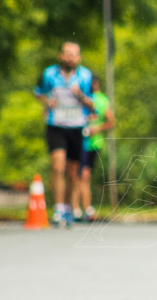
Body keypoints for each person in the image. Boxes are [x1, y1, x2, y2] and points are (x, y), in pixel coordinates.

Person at [35, 42, 95, 227]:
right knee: (57, 166)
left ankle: (68, 207)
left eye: (74, 54)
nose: (70, 57)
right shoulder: (49, 74)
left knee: (72, 172)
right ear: (60, 56)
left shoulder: (85, 76)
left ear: (78, 58)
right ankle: (58, 207)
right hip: (56, 125)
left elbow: (93, 104)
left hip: (76, 127)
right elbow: (38, 92)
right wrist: (47, 101)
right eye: (67, 54)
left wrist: (80, 96)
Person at [73, 75, 114, 222]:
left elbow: (111, 121)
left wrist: (97, 129)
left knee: (83, 175)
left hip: (93, 143)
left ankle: (82, 208)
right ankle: (78, 208)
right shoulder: (84, 97)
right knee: (81, 174)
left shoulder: (100, 99)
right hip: (82, 141)